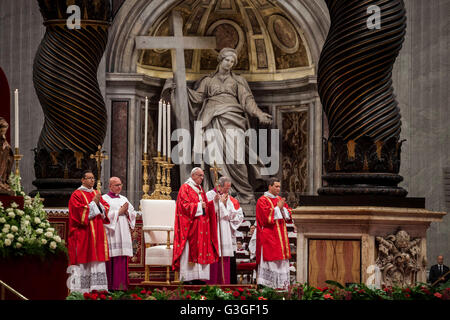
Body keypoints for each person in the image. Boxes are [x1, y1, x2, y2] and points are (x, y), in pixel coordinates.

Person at [167, 47, 272, 204]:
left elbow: (248, 101)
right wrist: (180, 89)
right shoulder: (208, 81)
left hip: (233, 119)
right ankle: (220, 194)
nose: (229, 63)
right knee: (215, 159)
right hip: (211, 120)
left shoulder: (238, 81)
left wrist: (259, 114)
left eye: (232, 61)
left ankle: (243, 192)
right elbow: (196, 99)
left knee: (237, 159)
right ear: (220, 60)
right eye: (227, 60)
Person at [172, 167, 219, 284]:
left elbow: (205, 205)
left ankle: (199, 277)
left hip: (201, 225)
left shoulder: (200, 189)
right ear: (193, 176)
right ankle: (187, 278)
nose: (202, 178)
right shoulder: (185, 188)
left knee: (202, 248)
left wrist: (213, 202)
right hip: (190, 226)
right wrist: (198, 206)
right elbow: (184, 206)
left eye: (202, 176)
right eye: (199, 175)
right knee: (190, 249)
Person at [67, 170, 110, 293]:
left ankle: (98, 290)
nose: (92, 180)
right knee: (83, 258)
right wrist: (94, 203)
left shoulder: (96, 193)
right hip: (83, 233)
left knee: (97, 259)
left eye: (93, 178)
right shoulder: (76, 194)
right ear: (83, 180)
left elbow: (106, 207)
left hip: (97, 231)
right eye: (89, 178)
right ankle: (81, 291)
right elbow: (78, 213)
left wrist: (98, 205)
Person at [255, 177, 293, 290]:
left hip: (281, 236)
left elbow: (288, 213)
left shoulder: (279, 199)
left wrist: (282, 209)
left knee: (281, 262)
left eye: (279, 186)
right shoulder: (262, 200)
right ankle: (268, 288)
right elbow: (265, 218)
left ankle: (282, 287)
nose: (278, 188)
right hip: (269, 237)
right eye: (276, 186)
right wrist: (278, 208)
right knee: (271, 262)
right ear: (270, 186)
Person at [205, 176, 244, 284]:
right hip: (215, 229)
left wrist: (225, 204)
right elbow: (208, 213)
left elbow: (232, 215)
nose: (228, 191)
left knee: (225, 257)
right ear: (219, 186)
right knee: (215, 256)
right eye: (226, 188)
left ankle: (225, 283)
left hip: (225, 230)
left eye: (229, 188)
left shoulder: (227, 197)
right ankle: (212, 283)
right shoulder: (209, 195)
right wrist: (220, 203)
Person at [102, 177, 137, 291]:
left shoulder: (124, 198)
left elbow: (133, 213)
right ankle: (111, 286)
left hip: (123, 230)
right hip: (112, 231)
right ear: (110, 186)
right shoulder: (104, 199)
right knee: (112, 257)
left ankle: (122, 286)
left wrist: (127, 212)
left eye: (120, 184)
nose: (119, 187)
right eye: (116, 185)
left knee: (122, 257)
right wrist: (119, 212)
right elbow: (103, 215)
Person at [0, 118, 13, 194]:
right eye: (2, 131)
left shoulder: (4, 142)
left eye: (5, 131)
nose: (3, 133)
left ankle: (2, 181)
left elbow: (9, 155)